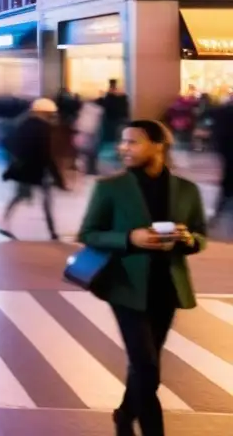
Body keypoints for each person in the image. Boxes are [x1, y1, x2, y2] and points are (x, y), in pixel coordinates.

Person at [77, 120, 206, 436]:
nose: (124, 148)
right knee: (148, 368)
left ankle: (124, 414)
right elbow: (88, 233)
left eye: (133, 142)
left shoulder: (186, 190)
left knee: (144, 367)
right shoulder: (110, 188)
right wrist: (128, 238)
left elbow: (200, 236)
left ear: (158, 146)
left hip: (167, 289)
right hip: (125, 287)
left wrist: (187, 239)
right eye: (123, 142)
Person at [0, 98, 64, 241]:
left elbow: (8, 142)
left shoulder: (23, 124)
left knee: (20, 196)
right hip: (37, 170)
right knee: (46, 201)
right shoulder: (43, 128)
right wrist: (57, 177)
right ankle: (52, 231)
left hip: (25, 169)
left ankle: (4, 221)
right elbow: (46, 154)